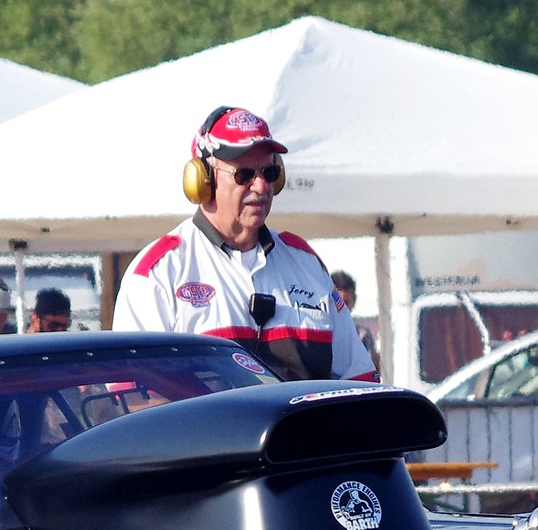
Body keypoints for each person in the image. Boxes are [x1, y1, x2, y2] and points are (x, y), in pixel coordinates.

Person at [115, 107, 375, 383]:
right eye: (244, 174)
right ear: (203, 180)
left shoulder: (305, 262)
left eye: (270, 172)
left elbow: (359, 379)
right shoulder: (158, 273)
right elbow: (131, 398)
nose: (261, 186)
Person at [331, 268, 379, 367]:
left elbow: (370, 369)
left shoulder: (362, 335)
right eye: (339, 303)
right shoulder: (321, 331)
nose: (343, 309)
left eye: (347, 303)